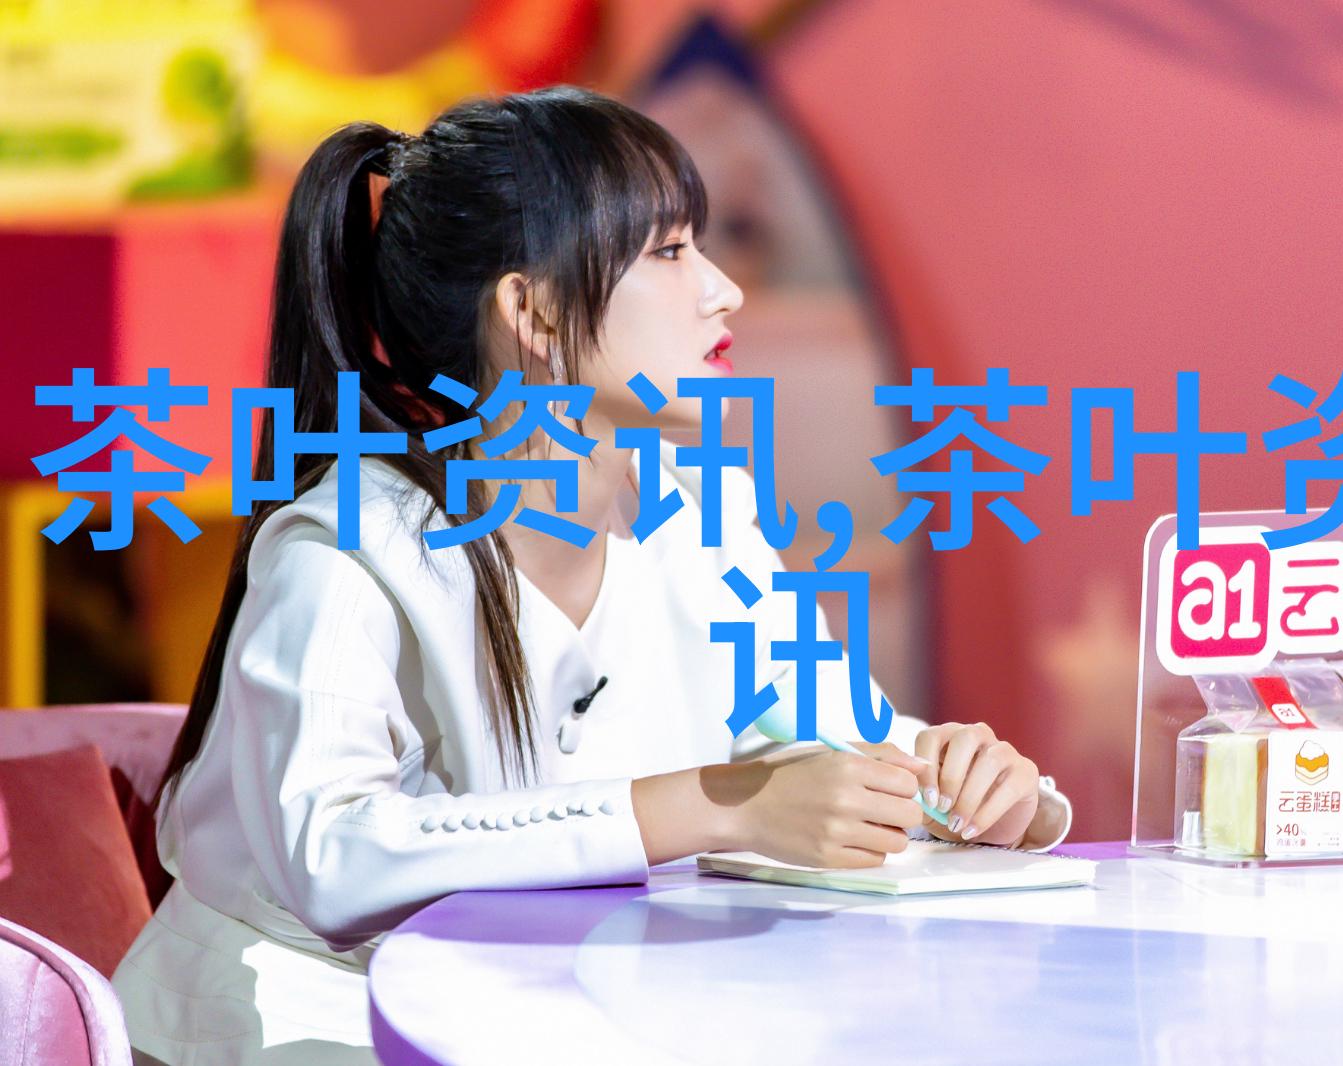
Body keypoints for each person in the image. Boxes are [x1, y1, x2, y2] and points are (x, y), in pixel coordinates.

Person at [110, 85, 1073, 1064]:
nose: (723, 290)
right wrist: (720, 802)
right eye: (669, 252)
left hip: (564, 1017)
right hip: (307, 1032)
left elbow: (832, 731)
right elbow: (335, 856)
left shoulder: (702, 515)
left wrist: (973, 790)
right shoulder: (345, 548)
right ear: (531, 309)